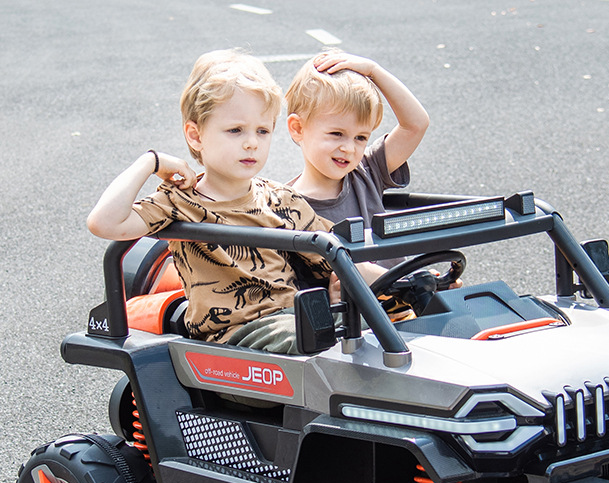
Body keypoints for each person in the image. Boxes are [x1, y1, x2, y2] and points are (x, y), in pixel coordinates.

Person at [87, 49, 383, 353]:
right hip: (233, 340)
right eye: (235, 130)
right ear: (196, 136)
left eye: (262, 130)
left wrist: (402, 281)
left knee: (377, 321)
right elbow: (104, 222)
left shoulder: (281, 199)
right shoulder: (179, 200)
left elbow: (341, 256)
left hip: (295, 319)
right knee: (318, 337)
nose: (251, 142)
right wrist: (150, 162)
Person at [284, 50, 429, 241]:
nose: (349, 149)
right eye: (337, 134)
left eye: (360, 137)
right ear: (298, 128)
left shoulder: (368, 170)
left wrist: (373, 71)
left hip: (408, 272)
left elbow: (416, 125)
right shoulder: (286, 208)